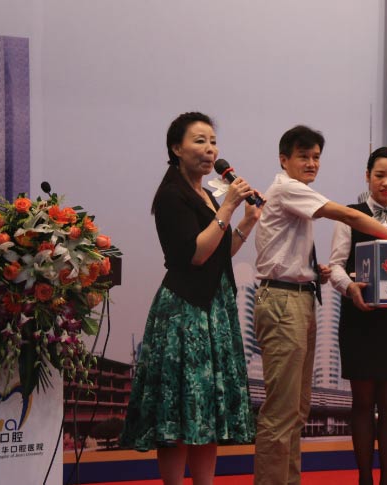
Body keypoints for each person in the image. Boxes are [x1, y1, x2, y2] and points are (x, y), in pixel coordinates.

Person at [252, 126, 387, 485]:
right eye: (303, 156)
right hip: (284, 302)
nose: (311, 163)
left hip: (299, 297)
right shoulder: (289, 189)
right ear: (283, 159)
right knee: (282, 412)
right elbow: (348, 216)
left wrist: (310, 272)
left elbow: (285, 255)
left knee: (296, 411)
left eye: (316, 157)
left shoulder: (294, 193)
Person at [120, 112, 259, 485]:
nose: (210, 149)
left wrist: (246, 221)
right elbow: (195, 255)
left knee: (205, 412)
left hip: (215, 308)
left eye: (213, 141)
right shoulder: (172, 195)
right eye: (200, 141)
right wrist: (228, 207)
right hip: (185, 312)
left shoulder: (207, 194)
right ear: (176, 148)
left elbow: (218, 252)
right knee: (179, 411)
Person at [328, 147, 387, 485]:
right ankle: (365, 479)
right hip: (360, 318)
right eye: (379, 175)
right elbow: (336, 266)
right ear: (367, 176)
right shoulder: (349, 215)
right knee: (363, 403)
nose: (386, 182)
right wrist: (350, 288)